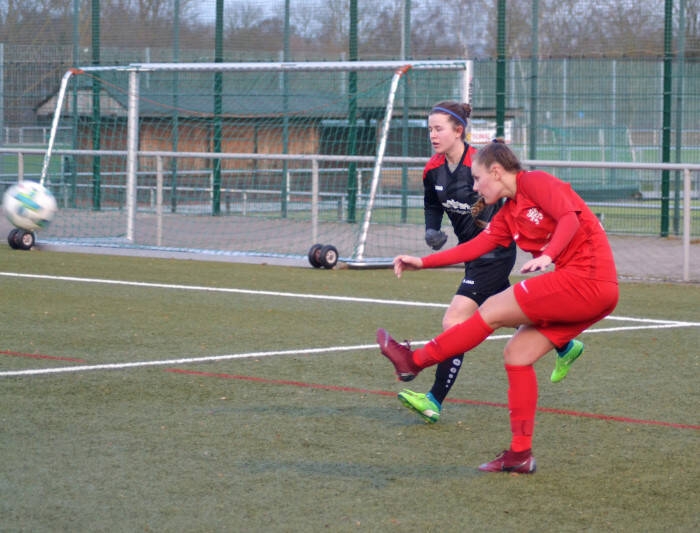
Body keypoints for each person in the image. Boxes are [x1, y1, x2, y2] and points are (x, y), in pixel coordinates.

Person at [377, 140, 619, 473]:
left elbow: (569, 218)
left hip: (588, 280)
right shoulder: (508, 212)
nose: (474, 187)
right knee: (517, 356)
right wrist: (423, 261)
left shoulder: (535, 182)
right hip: (590, 290)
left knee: (491, 309)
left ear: (496, 171)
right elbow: (476, 247)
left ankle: (413, 362)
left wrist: (548, 256)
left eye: (477, 179)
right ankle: (520, 455)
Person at [397, 102, 583, 425]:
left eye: (439, 128)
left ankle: (433, 399)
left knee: (454, 321)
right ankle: (564, 344)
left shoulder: (479, 164)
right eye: (429, 129)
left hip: (493, 254)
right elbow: (431, 203)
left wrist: (493, 218)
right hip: (472, 254)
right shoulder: (432, 170)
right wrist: (432, 230)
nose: (432, 135)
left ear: (459, 131)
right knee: (510, 312)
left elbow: (505, 199)